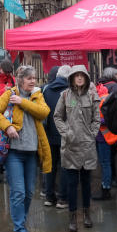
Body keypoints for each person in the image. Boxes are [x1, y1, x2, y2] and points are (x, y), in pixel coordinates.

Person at [0, 65, 51, 232]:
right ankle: (20, 230)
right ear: (20, 79)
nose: (33, 81)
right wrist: (8, 126)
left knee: (30, 192)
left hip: (31, 152)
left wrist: (22, 103)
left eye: (35, 78)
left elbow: (44, 112)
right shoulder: (9, 94)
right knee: (18, 192)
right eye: (29, 78)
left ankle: (21, 223)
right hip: (14, 152)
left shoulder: (37, 95)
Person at [53, 65, 100, 232]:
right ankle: (72, 216)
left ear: (86, 78)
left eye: (82, 75)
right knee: (72, 183)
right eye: (76, 75)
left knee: (87, 183)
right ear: (71, 78)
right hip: (71, 146)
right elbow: (57, 116)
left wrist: (92, 134)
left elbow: (97, 119)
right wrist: (66, 133)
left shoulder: (93, 95)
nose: (79, 78)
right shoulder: (65, 96)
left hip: (87, 146)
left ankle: (87, 213)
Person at [41, 65, 70, 209]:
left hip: (48, 133)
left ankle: (49, 197)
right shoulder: (71, 91)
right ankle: (62, 199)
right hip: (65, 135)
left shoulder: (46, 90)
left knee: (50, 166)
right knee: (64, 166)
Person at [93, 67, 117, 200]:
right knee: (106, 162)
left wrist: (96, 120)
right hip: (103, 134)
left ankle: (106, 189)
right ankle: (107, 186)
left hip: (104, 135)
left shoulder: (103, 93)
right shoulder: (112, 89)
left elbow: (105, 115)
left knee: (105, 162)